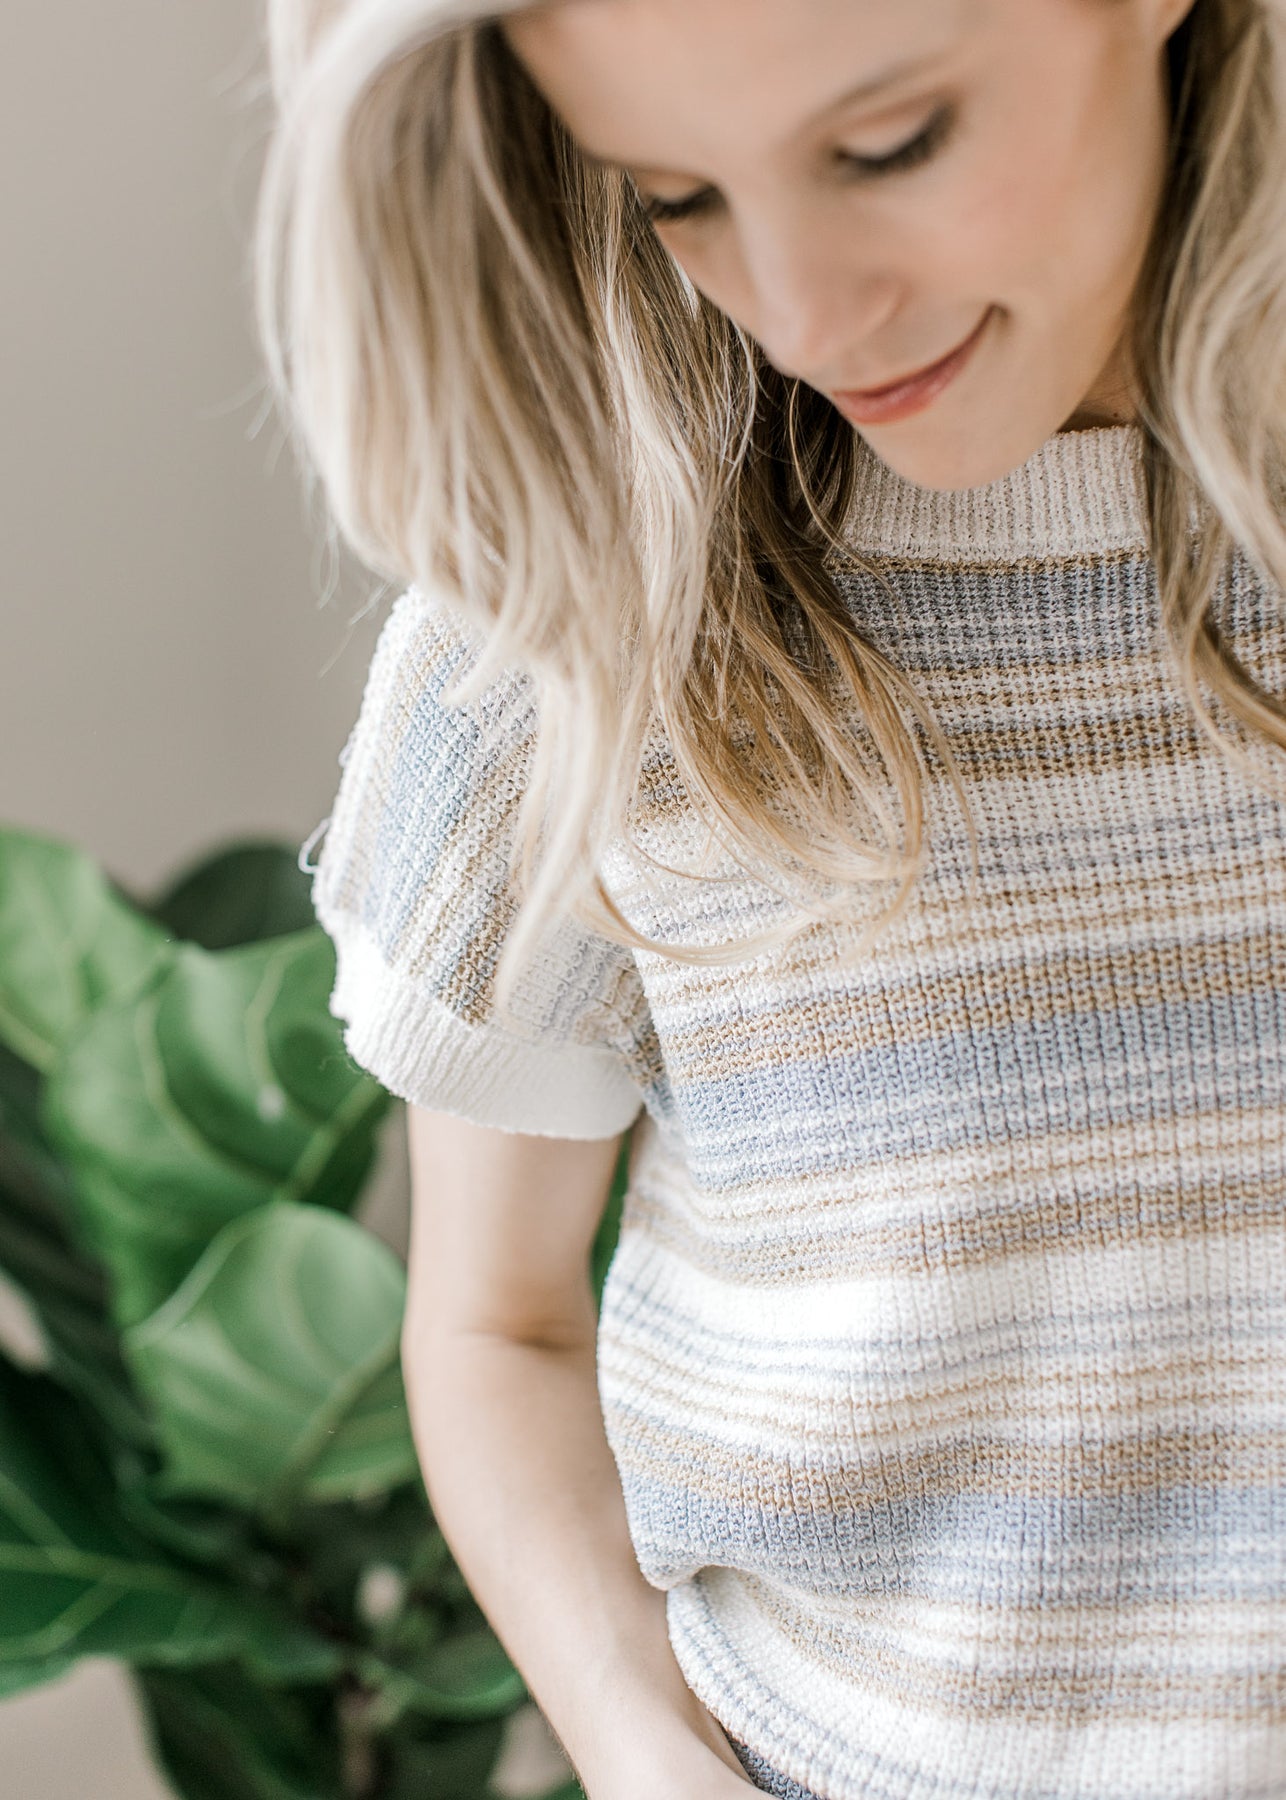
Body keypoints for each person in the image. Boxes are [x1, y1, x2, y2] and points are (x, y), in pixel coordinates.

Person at [255, 1, 1286, 1795]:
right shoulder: (579, 638)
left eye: (886, 148)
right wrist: (638, 1754)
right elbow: (496, 1323)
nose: (806, 315)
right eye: (677, 194)